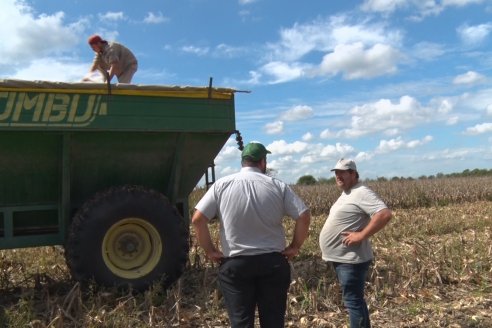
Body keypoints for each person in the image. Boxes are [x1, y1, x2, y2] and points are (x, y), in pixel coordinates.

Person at [192, 142, 311, 328]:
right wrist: (295, 246)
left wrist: (210, 251)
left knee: (241, 322)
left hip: (236, 265)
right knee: (273, 322)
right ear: (263, 162)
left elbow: (198, 219)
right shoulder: (277, 186)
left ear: (243, 162)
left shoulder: (221, 185)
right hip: (272, 263)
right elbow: (303, 216)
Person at [319, 159, 392, 328]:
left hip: (350, 260)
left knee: (353, 301)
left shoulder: (361, 192)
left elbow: (384, 214)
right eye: (336, 173)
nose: (338, 176)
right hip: (343, 258)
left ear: (353, 173)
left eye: (342, 172)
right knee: (355, 300)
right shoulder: (348, 192)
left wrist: (361, 235)